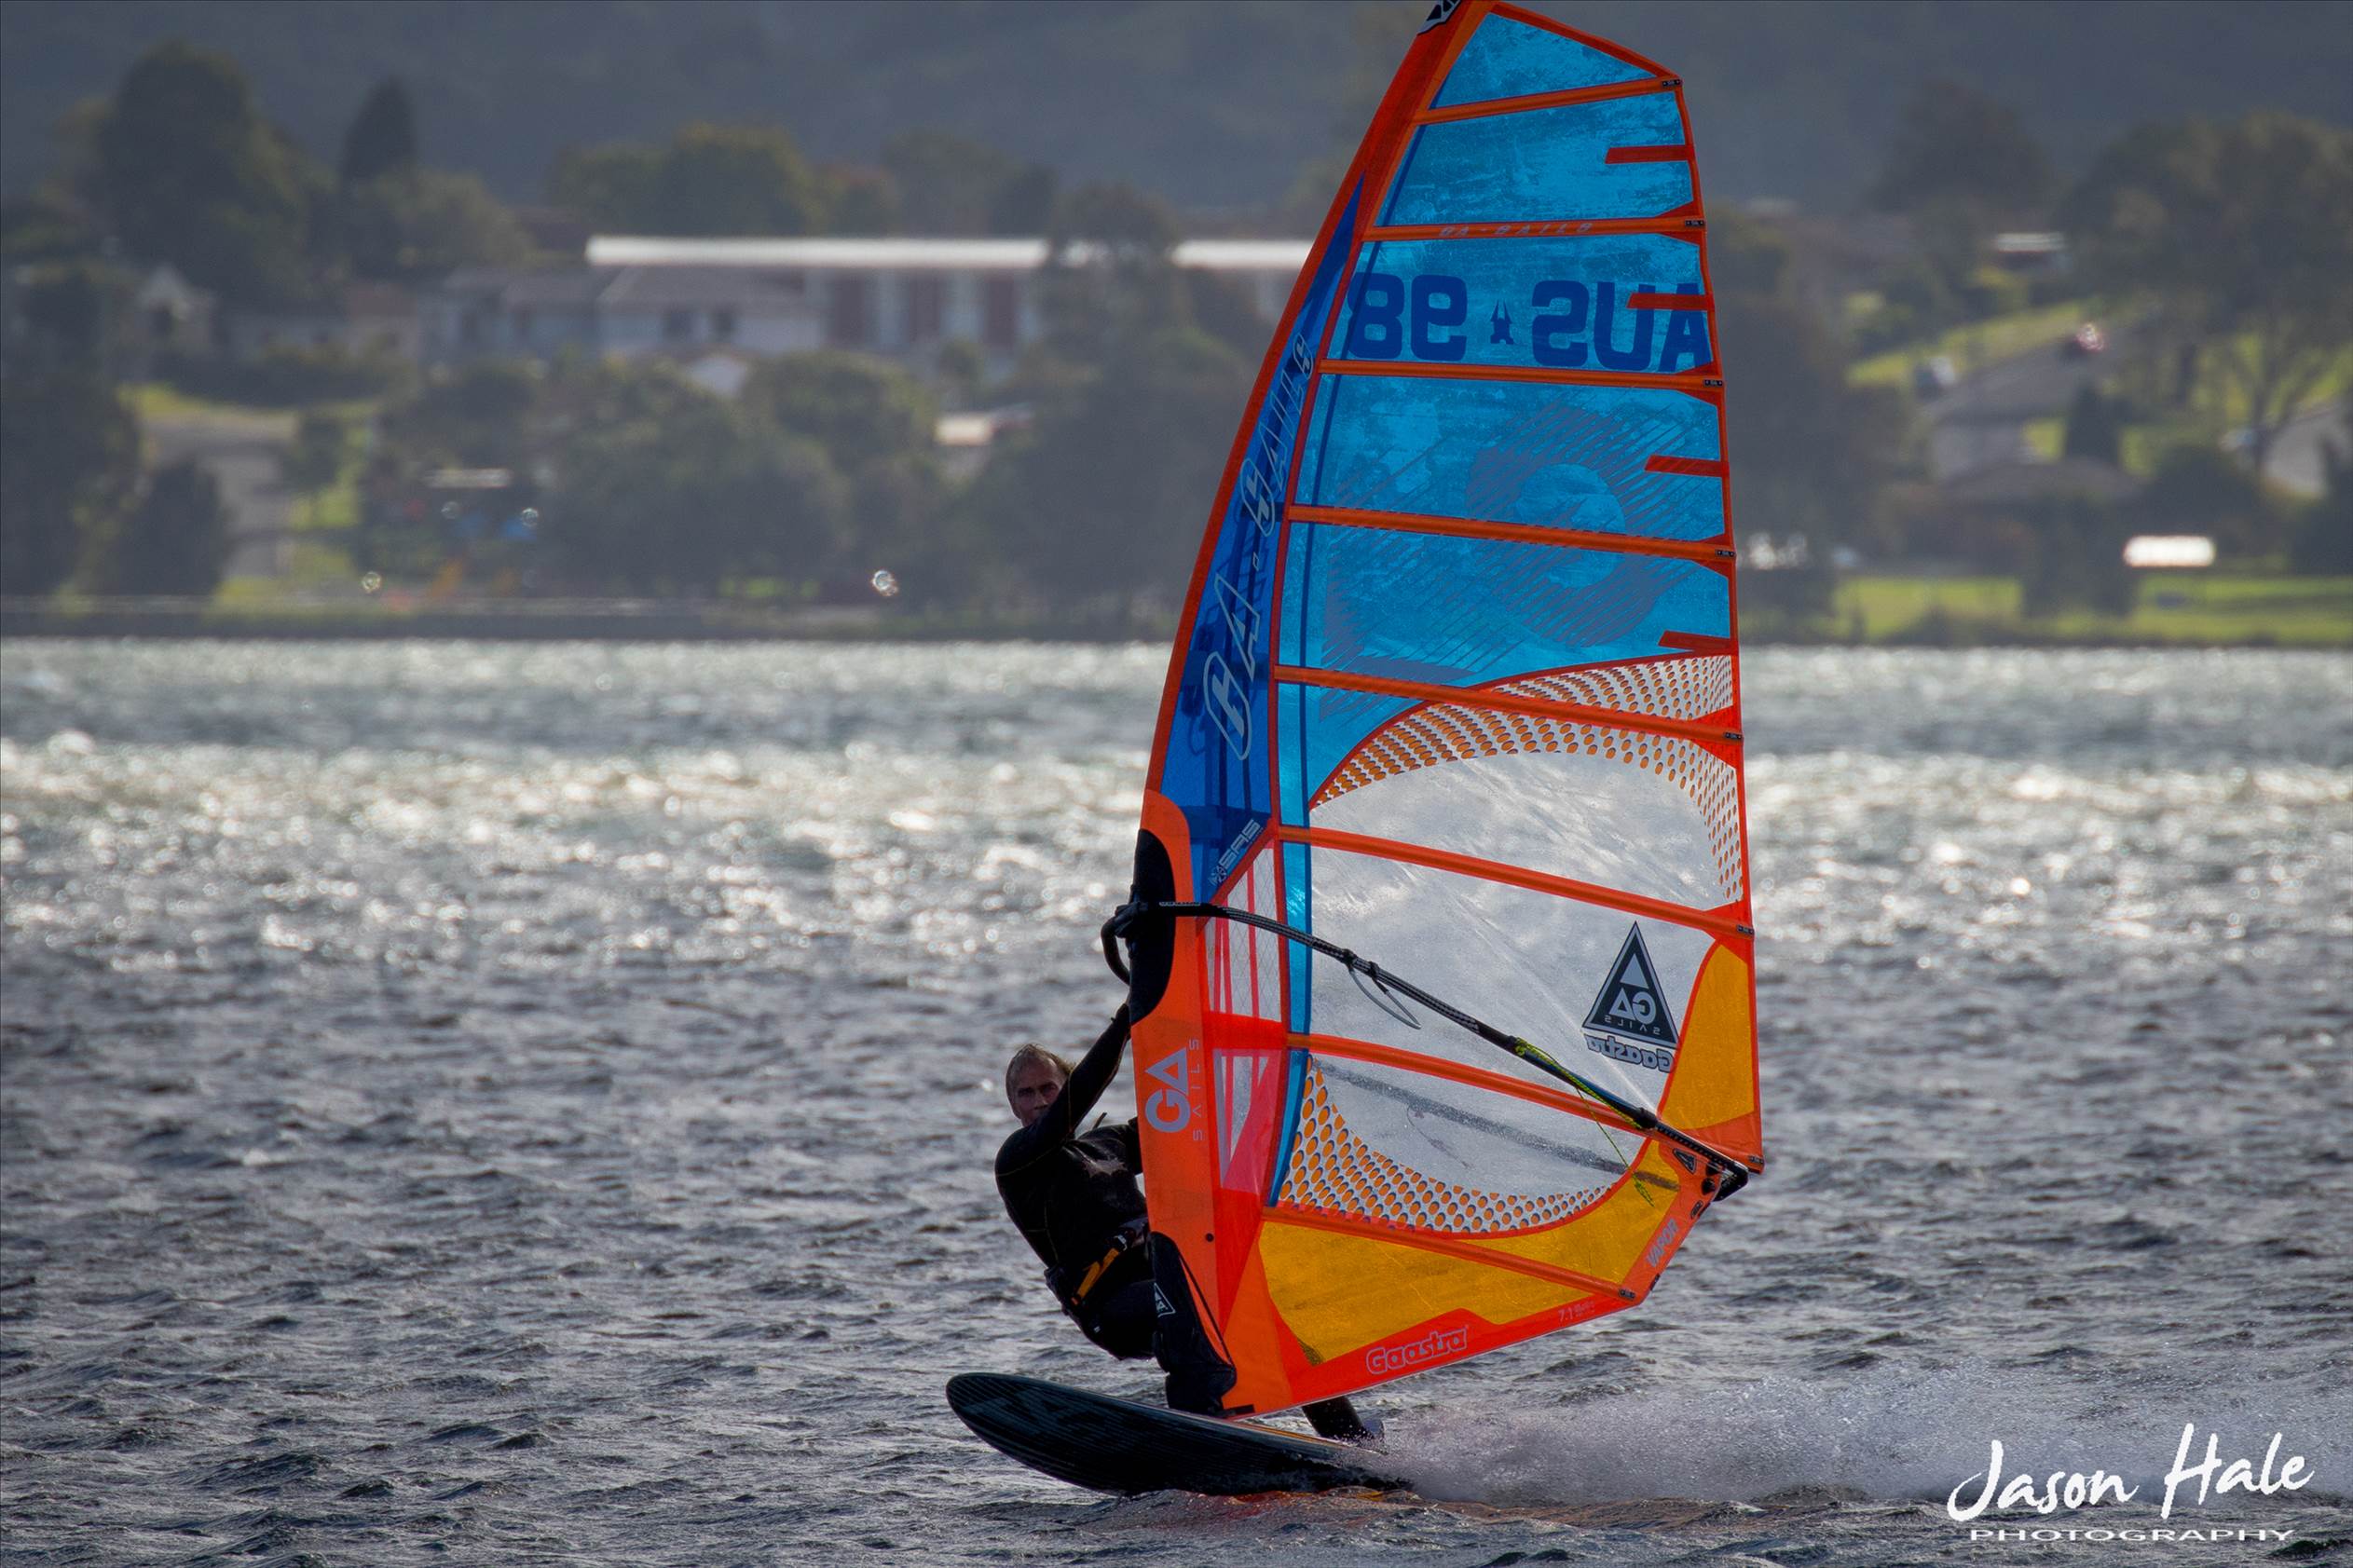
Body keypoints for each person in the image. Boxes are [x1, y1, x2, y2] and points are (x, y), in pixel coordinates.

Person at [995, 1004, 1376, 1442]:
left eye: (1048, 1088)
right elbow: (1076, 1099)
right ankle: (1201, 1428)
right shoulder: (1018, 1162)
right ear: (1013, 1106)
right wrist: (1125, 1024)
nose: (1040, 1101)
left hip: (1170, 1280)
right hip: (1111, 1304)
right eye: (1026, 1093)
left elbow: (1187, 1118)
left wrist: (1258, 1062)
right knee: (1186, 1306)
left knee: (1269, 1318)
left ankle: (1350, 1439)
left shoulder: (1109, 1143)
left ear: (1061, 1085)